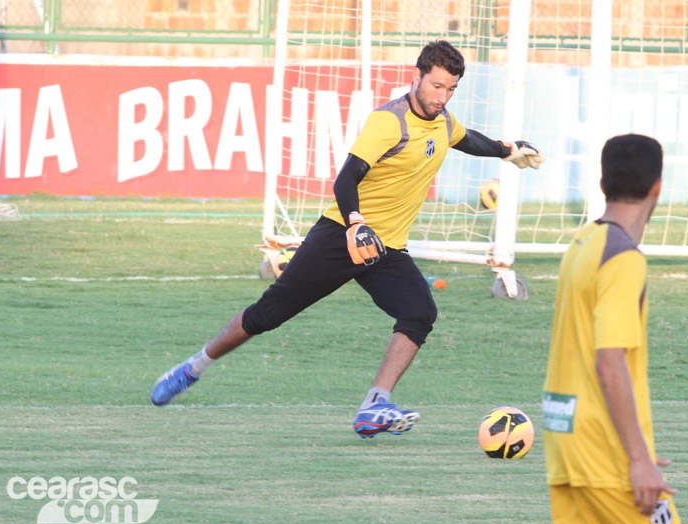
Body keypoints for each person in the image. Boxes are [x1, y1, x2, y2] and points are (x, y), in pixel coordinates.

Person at [151, 40, 545, 438]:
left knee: (419, 313)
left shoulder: (442, 120)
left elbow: (464, 138)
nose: (442, 97)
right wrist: (356, 223)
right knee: (266, 315)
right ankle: (193, 367)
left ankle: (375, 404)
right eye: (436, 86)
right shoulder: (389, 121)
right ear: (417, 76)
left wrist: (505, 150)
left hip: (385, 249)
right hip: (341, 236)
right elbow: (346, 178)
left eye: (451, 89)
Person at [541, 134, 683, 524]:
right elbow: (609, 361)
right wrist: (638, 457)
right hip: (604, 453)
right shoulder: (623, 258)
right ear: (657, 187)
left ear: (603, 184)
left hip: (566, 445)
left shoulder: (584, 242)